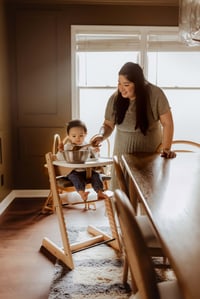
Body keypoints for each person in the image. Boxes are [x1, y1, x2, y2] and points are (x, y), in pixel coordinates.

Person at [90, 62, 176, 190]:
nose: (121, 88)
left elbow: (167, 123)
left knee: (148, 197)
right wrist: (101, 135)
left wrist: (167, 148)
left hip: (148, 159)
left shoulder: (155, 94)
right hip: (121, 157)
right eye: (119, 83)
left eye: (126, 84)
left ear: (139, 83)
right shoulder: (115, 98)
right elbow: (108, 125)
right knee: (121, 198)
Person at [56, 119, 108, 202]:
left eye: (81, 135)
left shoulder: (87, 146)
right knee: (76, 178)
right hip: (73, 172)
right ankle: (82, 193)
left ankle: (100, 192)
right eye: (74, 136)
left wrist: (95, 152)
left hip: (87, 171)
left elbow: (94, 159)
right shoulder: (67, 147)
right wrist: (61, 151)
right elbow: (59, 159)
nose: (78, 138)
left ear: (86, 134)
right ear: (68, 136)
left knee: (97, 175)